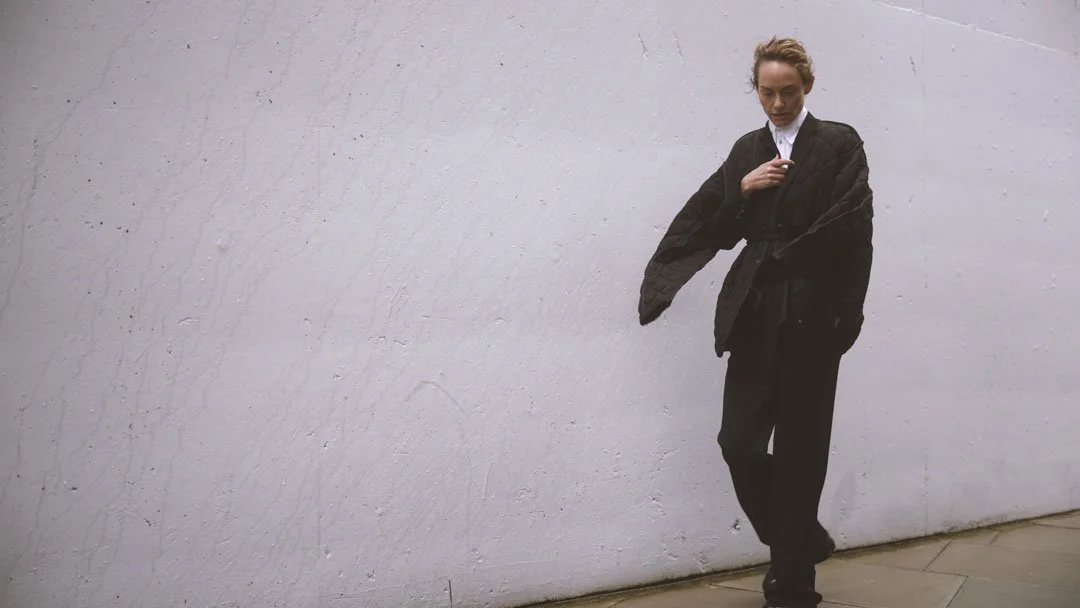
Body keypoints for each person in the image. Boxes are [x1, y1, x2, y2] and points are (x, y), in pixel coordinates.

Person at [637, 36, 873, 608]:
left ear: (807, 87)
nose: (777, 103)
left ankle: (791, 584)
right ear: (756, 91)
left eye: (787, 92)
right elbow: (709, 227)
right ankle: (800, 537)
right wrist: (742, 193)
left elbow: (854, 224)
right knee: (738, 441)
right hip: (754, 307)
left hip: (812, 312)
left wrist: (843, 312)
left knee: (801, 450)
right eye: (766, 93)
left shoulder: (840, 142)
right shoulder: (746, 150)